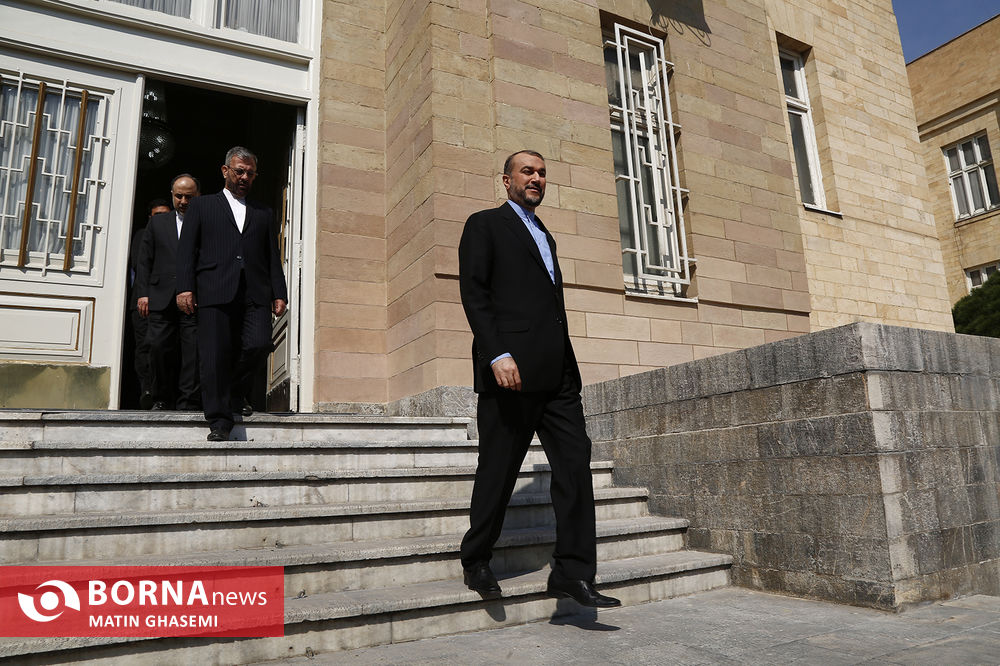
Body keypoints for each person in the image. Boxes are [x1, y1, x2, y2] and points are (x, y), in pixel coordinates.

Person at [457, 150, 620, 608]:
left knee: (575, 465)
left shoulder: (545, 234)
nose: (536, 178)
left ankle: (572, 573)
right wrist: (497, 353)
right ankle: (476, 559)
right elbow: (474, 292)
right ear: (505, 180)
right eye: (527, 171)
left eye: (542, 173)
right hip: (509, 372)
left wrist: (567, 365)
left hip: (558, 375)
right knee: (498, 470)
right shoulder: (484, 224)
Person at [176, 147, 287, 442]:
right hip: (214, 288)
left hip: (255, 291)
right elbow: (186, 250)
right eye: (239, 171)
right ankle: (220, 420)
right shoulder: (202, 206)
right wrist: (185, 287)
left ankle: (234, 391)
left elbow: (271, 256)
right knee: (214, 355)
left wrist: (279, 292)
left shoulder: (263, 212)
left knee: (259, 343)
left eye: (250, 173)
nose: (244, 177)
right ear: (225, 171)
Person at [134, 174, 202, 410]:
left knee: (193, 352)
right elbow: (145, 260)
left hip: (194, 299)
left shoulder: (206, 222)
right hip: (160, 297)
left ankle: (188, 402)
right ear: (172, 195)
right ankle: (161, 398)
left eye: (189, 197)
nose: (183, 201)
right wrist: (143, 293)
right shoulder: (158, 223)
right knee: (158, 348)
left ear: (198, 196)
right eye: (179, 196)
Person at [128, 198, 171, 409]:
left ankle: (162, 395)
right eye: (157, 216)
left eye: (165, 215)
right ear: (149, 218)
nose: (161, 220)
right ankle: (147, 390)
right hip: (143, 302)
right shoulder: (142, 235)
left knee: (162, 347)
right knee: (145, 346)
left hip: (166, 302)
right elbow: (140, 263)